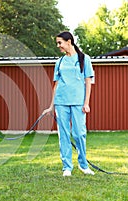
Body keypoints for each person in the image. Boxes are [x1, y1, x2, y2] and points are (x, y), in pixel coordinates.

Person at [43, 31, 95, 177]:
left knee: (79, 133)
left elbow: (88, 82)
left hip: (78, 102)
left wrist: (86, 103)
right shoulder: (59, 62)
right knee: (64, 135)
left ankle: (83, 165)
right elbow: (56, 85)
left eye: (60, 42)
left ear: (69, 42)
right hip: (61, 102)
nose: (58, 46)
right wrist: (51, 106)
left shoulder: (84, 59)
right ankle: (67, 167)